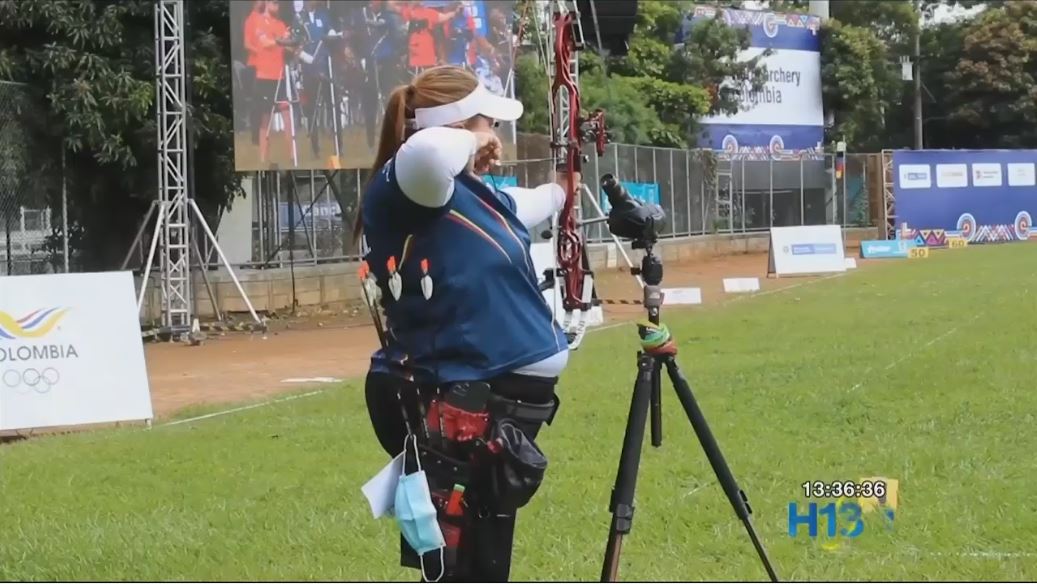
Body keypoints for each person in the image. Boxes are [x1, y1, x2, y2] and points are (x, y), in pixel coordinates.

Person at [357, 65, 577, 582]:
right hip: (462, 399)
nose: (495, 139)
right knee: (465, 567)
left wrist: (565, 188)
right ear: (455, 125)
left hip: (495, 401)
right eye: (488, 124)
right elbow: (430, 151)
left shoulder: (466, 192)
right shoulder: (410, 182)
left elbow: (530, 204)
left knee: (484, 558)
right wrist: (471, 135)